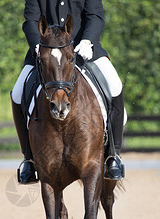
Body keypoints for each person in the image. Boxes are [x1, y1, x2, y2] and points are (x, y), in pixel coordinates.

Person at [11, 0, 125, 184]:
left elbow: (95, 16)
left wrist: (88, 41)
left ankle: (113, 155)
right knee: (17, 93)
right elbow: (30, 21)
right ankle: (29, 160)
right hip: (46, 53)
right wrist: (37, 45)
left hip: (83, 50)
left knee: (115, 86)